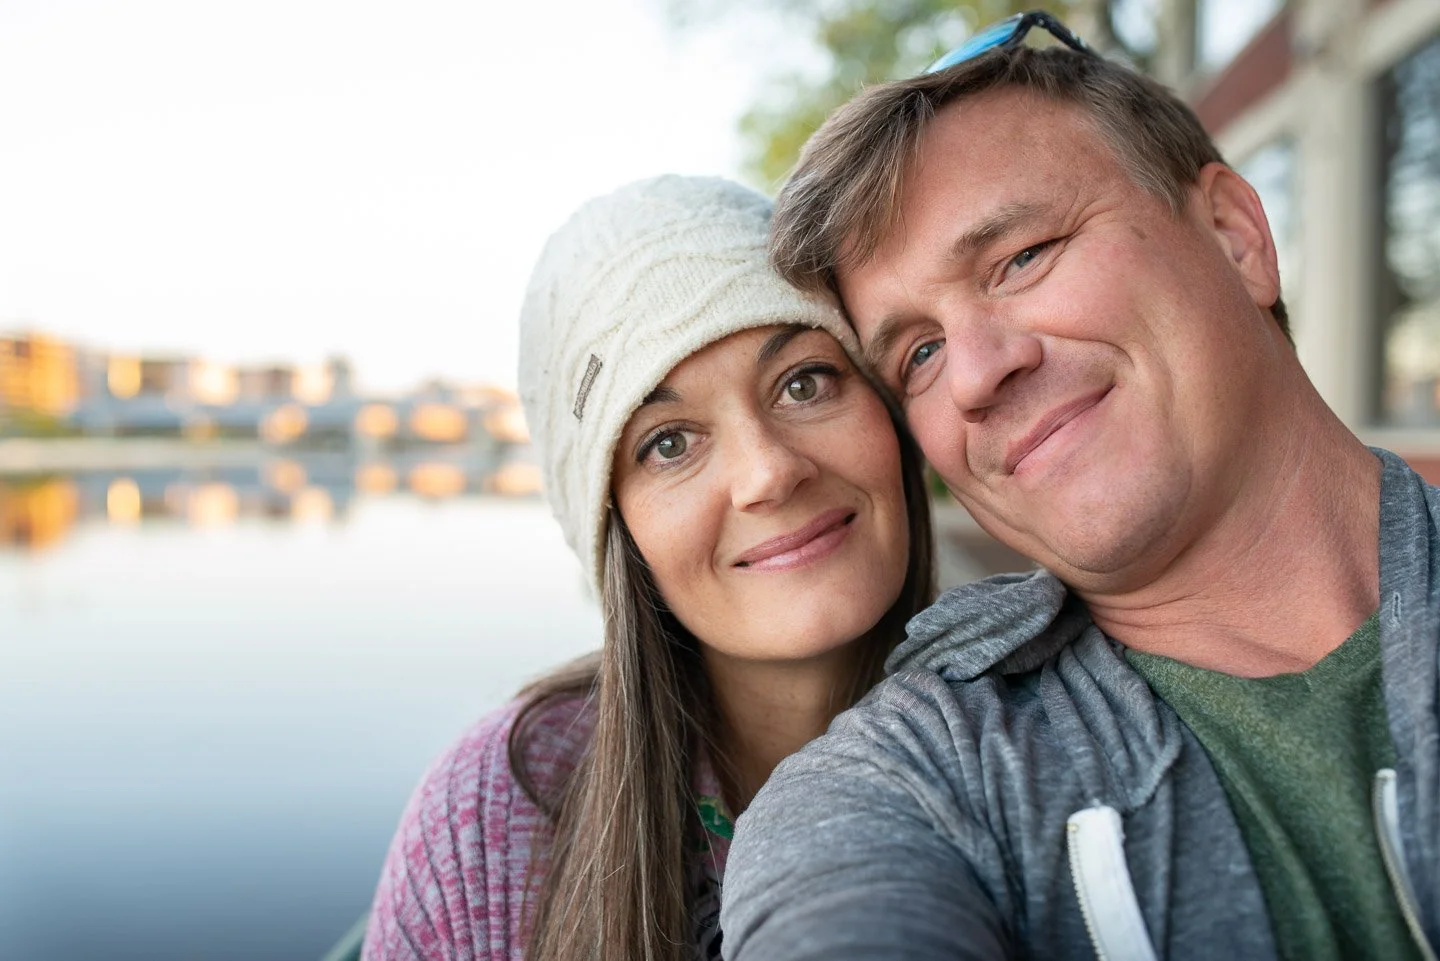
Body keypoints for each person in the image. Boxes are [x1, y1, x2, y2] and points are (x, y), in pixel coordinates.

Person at [720, 11, 1440, 961]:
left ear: (1234, 236)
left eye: (1020, 258)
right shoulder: (917, 777)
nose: (975, 374)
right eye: (920, 353)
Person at [359, 175, 935, 961]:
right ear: (616, 528)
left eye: (805, 382)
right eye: (669, 442)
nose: (767, 471)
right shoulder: (495, 815)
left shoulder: (1054, 733)